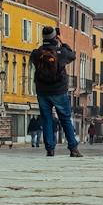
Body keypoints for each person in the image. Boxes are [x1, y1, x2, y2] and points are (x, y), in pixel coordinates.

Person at [30, 28, 80, 157]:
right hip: (59, 90)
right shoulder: (61, 52)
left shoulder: (36, 53)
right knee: (65, 119)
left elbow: (33, 62)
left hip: (42, 91)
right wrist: (62, 42)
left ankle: (50, 149)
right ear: (54, 37)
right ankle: (73, 148)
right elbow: (72, 55)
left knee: (46, 120)